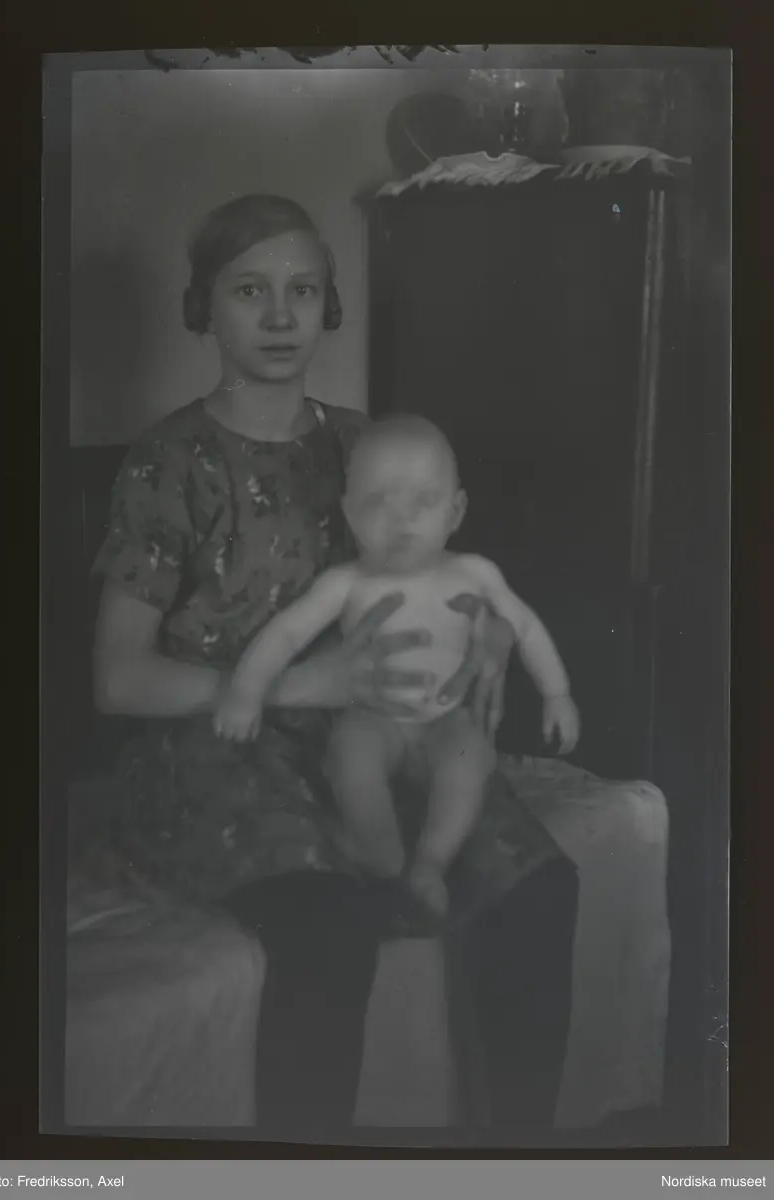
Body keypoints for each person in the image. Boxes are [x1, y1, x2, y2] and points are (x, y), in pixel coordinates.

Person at [89, 191, 670, 1139]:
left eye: (303, 289)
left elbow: (445, 574)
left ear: (329, 305)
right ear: (203, 307)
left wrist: (485, 635)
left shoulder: (367, 442)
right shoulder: (169, 462)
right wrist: (300, 683)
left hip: (376, 727)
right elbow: (116, 680)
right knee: (330, 926)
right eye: (249, 290)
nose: (281, 314)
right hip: (222, 748)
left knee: (537, 886)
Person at [214, 413, 580, 919]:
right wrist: (245, 691)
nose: (401, 519)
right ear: (349, 514)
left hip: (445, 719)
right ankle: (380, 853)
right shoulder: (347, 582)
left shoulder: (474, 573)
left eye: (422, 501)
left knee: (470, 755)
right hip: (375, 717)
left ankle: (430, 862)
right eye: (378, 502)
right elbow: (285, 633)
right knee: (351, 753)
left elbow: (527, 628)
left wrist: (557, 695)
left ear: (455, 511)